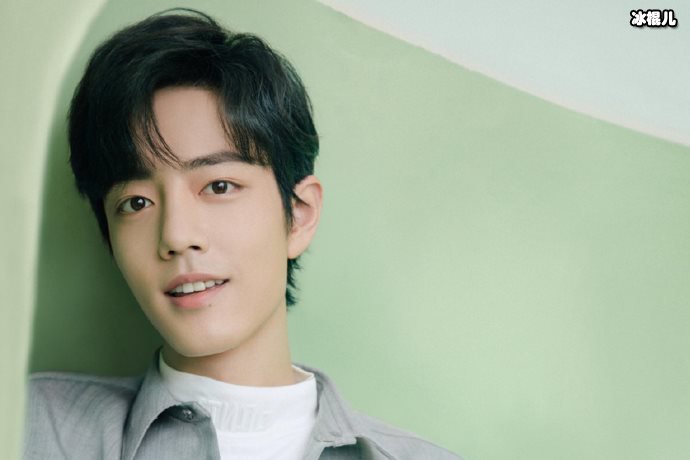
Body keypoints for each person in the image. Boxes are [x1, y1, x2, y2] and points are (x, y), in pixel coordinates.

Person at [24, 9, 460, 460]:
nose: (176, 236)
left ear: (298, 215)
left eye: (219, 186)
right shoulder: (27, 427)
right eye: (136, 203)